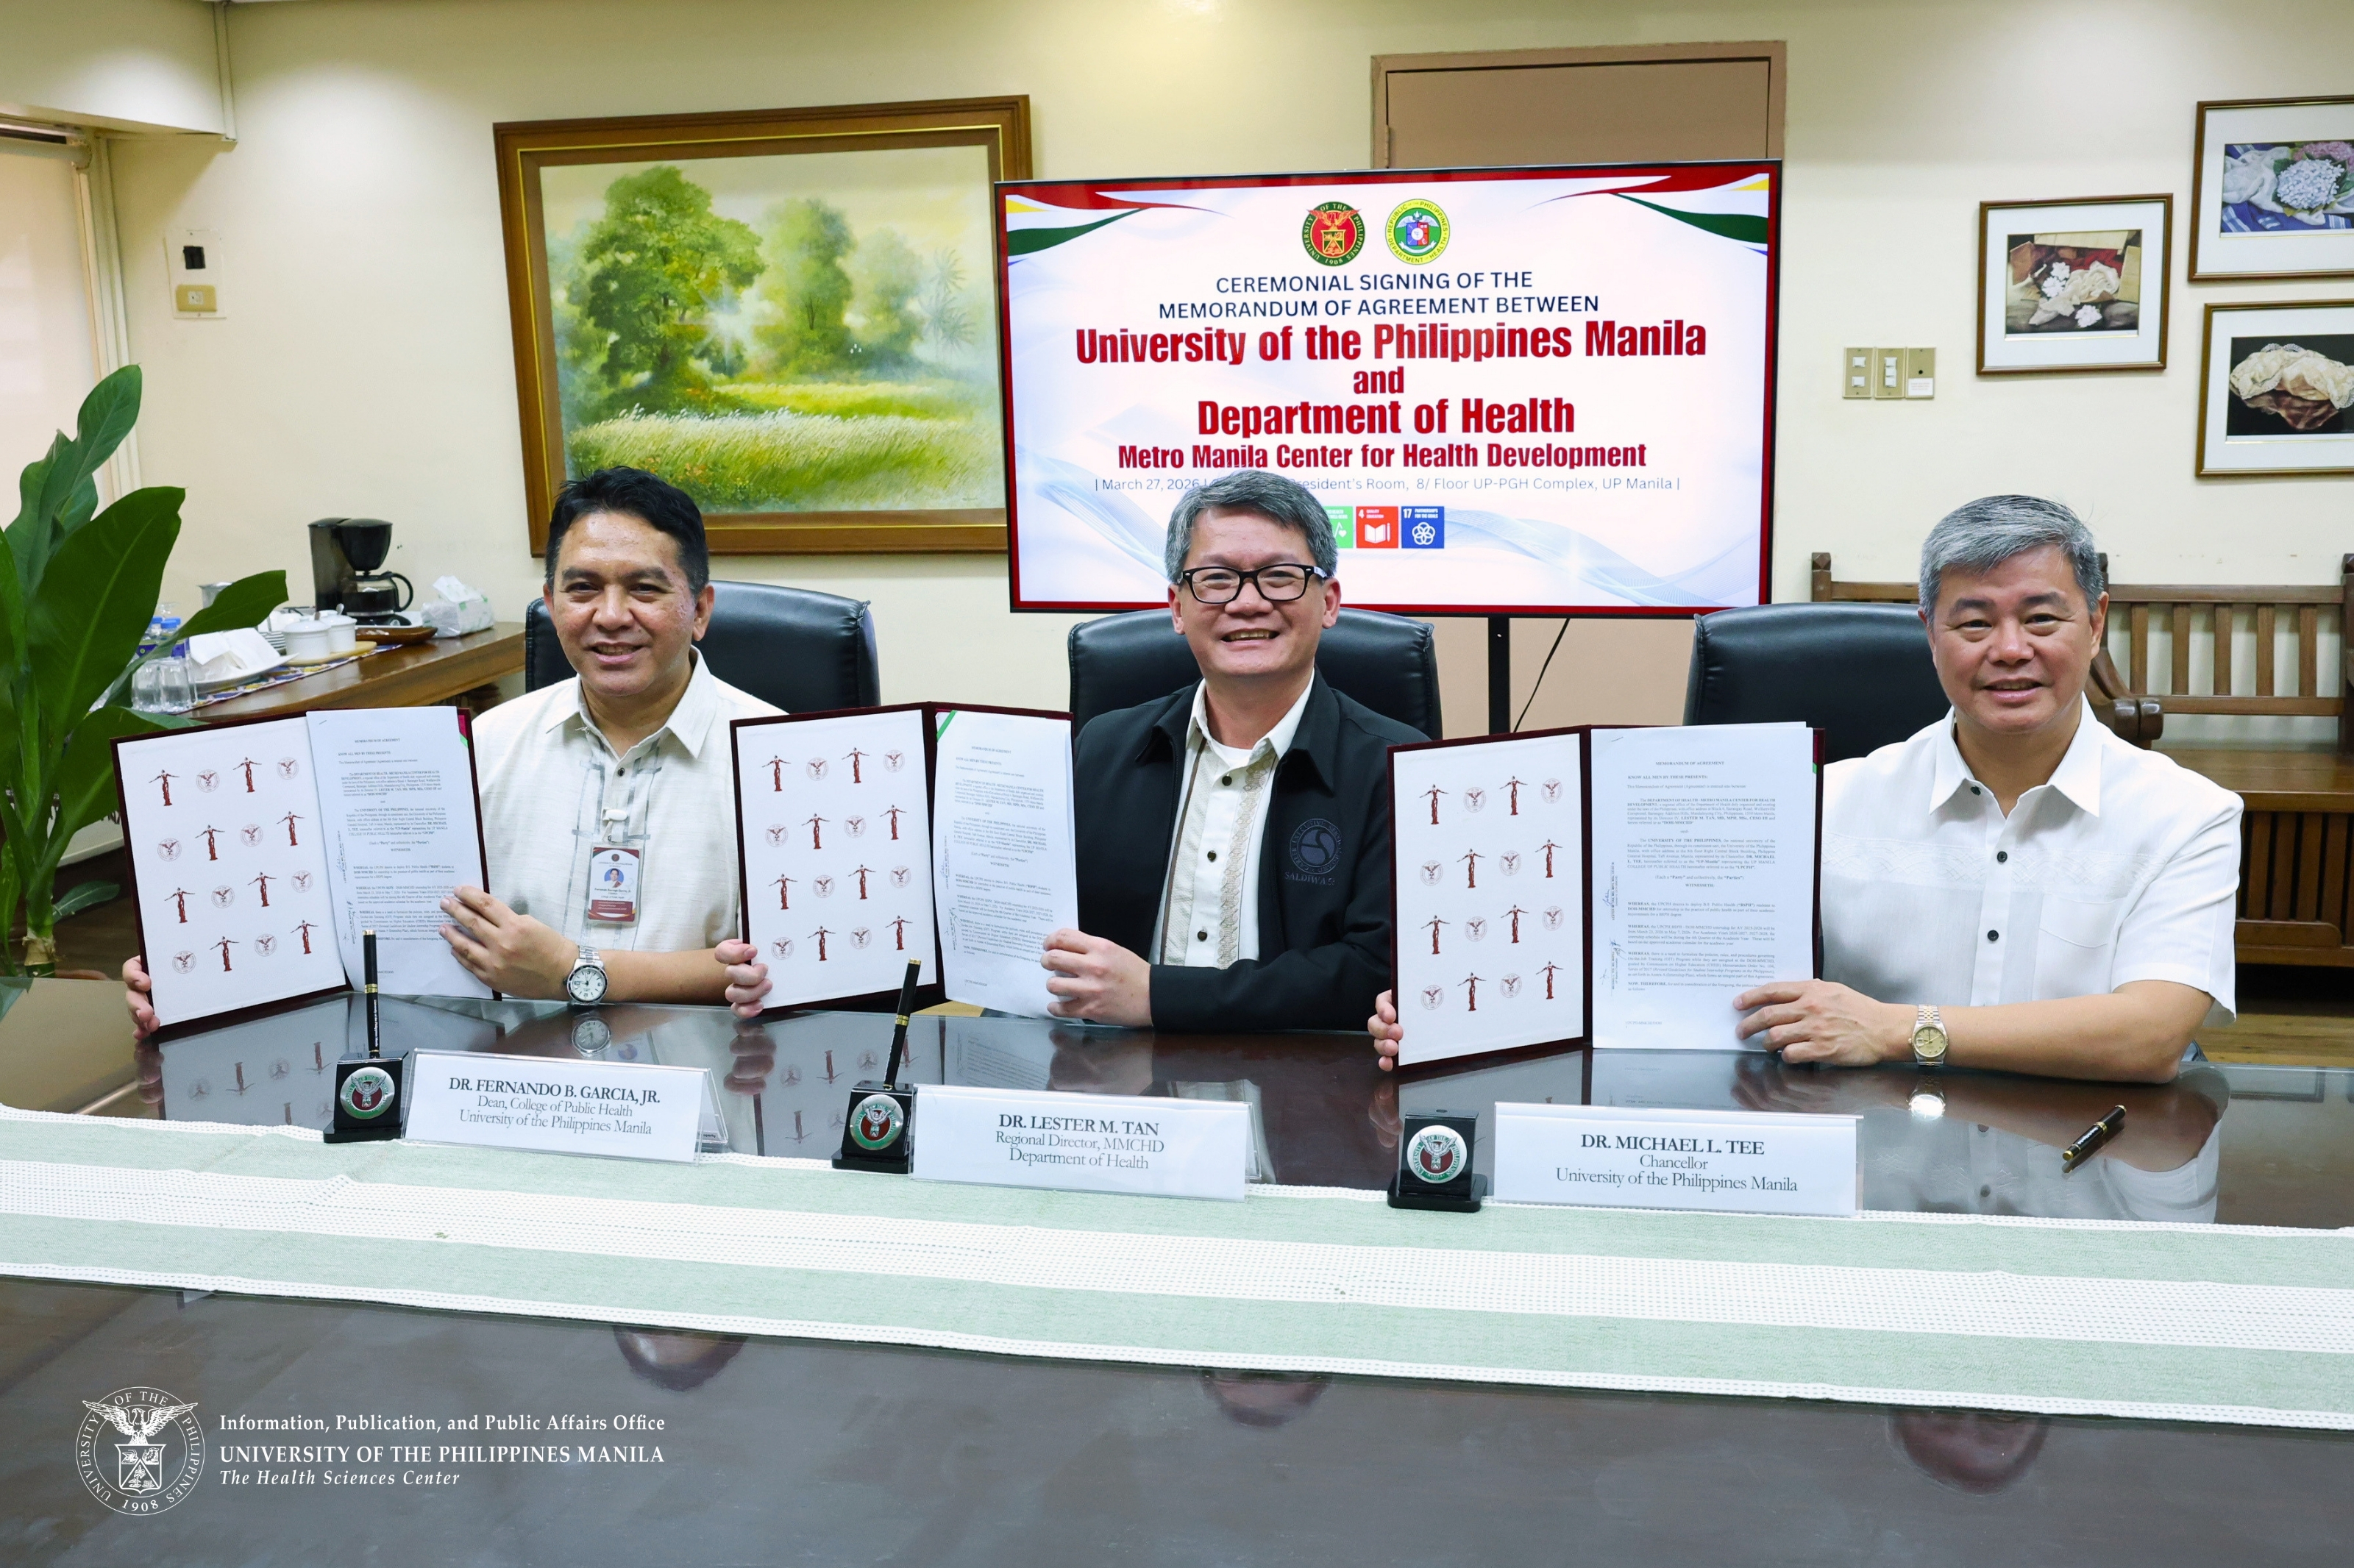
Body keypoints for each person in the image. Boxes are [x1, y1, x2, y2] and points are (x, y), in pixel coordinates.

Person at [1370, 495, 2240, 1083]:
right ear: (1928, 636)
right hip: (1857, 1142)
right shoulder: (1820, 801)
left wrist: (1898, 1030)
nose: (2007, 649)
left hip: (2092, 1147)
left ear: (2094, 622)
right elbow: (1640, 949)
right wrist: (1462, 1003)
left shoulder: (2185, 814)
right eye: (1972, 622)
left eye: (2040, 617)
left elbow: (2151, 1033)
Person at [122, 466, 780, 1034]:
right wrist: (198, 969)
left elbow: (774, 963)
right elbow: (353, 926)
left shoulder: (772, 761)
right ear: (550, 605)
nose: (610, 615)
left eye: (644, 589)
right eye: (582, 590)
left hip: (708, 1079)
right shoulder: (476, 748)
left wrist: (573, 973)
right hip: (505, 1077)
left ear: (698, 609)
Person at [1042, 469, 1423, 1031]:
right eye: (1216, 579)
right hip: (1113, 1088)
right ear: (1176, 606)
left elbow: (1375, 971)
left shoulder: (1396, 765)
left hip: (1305, 1094)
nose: (1247, 603)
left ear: (1329, 602)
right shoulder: (1101, 748)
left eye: (1279, 576)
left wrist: (1158, 995)